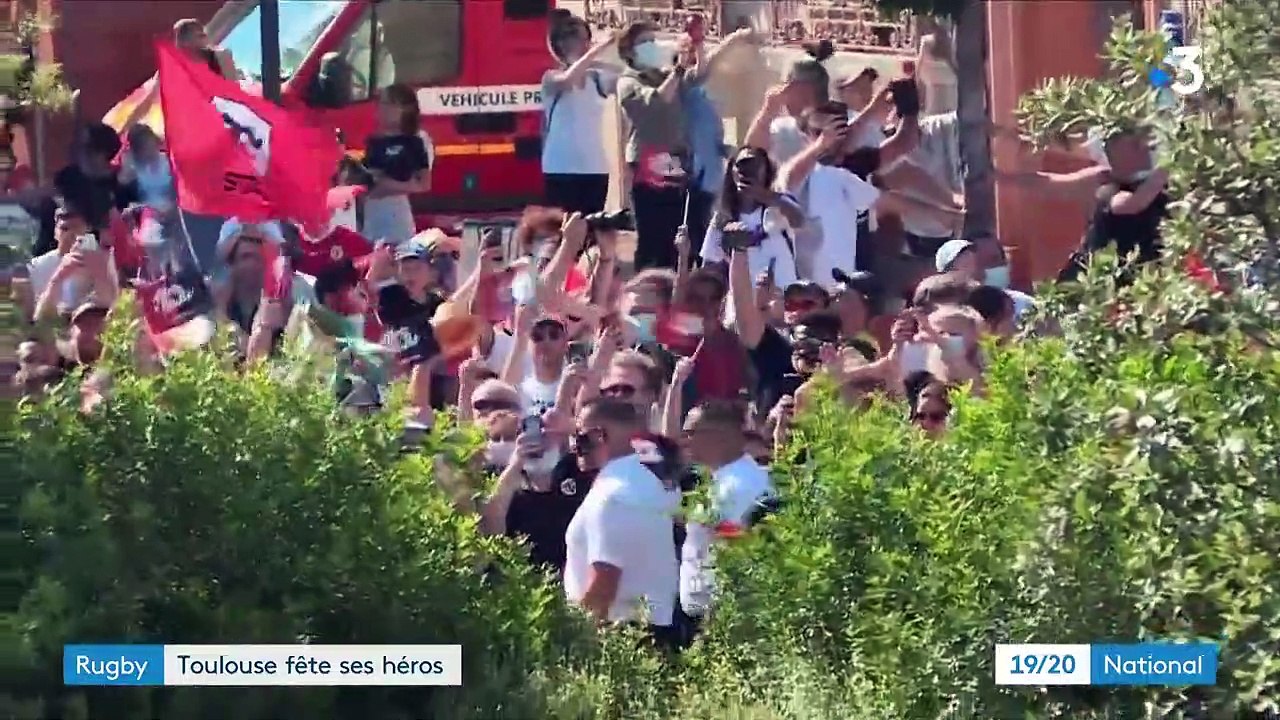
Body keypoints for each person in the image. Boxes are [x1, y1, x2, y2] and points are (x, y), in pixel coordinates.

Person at [616, 21, 755, 270]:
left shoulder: (665, 74)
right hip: (648, 162)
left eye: (653, 39)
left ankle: (672, 288)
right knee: (652, 236)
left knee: (676, 233)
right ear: (629, 52)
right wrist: (678, 68)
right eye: (644, 42)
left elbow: (699, 75)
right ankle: (645, 292)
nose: (652, 46)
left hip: (675, 160)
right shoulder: (629, 82)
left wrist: (698, 45)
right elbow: (655, 103)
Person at [563, 398, 680, 646]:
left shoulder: (613, 493)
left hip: (618, 636)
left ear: (599, 436)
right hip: (651, 631)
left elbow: (604, 580)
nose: (574, 447)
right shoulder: (654, 483)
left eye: (579, 437)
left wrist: (573, 642)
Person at [679, 400, 775, 627]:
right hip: (717, 613)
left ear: (718, 436)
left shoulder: (736, 486)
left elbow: (734, 550)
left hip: (725, 616)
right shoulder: (727, 479)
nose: (684, 441)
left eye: (690, 433)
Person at [1060, 128, 1170, 285]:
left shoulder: (1162, 188)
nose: (1143, 147)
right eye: (1134, 144)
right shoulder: (1110, 190)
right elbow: (1134, 204)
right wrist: (1169, 163)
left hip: (1141, 282)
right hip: (1098, 284)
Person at [541, 12, 619, 217]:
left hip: (595, 168)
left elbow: (622, 74)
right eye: (582, 40)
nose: (587, 45)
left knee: (591, 234)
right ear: (564, 44)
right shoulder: (551, 78)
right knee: (562, 234)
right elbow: (568, 80)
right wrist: (598, 50)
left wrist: (603, 56)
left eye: (588, 40)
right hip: (561, 168)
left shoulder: (597, 79)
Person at [699, 146, 804, 288]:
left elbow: (798, 219)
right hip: (745, 300)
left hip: (783, 295)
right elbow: (710, 264)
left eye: (754, 166)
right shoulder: (724, 216)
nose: (747, 172)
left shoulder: (778, 204)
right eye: (740, 166)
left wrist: (761, 194)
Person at [362, 84, 431, 246]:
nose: (382, 109)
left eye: (389, 104)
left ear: (405, 109)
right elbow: (369, 176)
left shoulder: (415, 142)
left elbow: (423, 183)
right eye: (381, 104)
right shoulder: (373, 142)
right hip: (372, 214)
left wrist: (388, 185)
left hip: (398, 216)